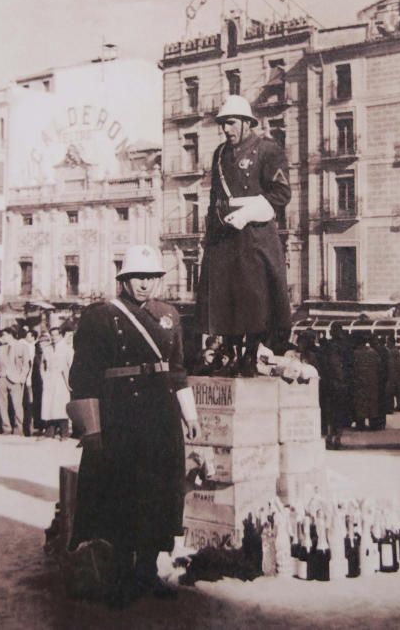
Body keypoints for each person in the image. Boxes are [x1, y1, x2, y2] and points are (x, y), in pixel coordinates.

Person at [67, 243, 199, 609]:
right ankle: (121, 577)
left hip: (160, 418)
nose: (145, 284)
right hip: (119, 417)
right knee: (121, 495)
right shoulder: (99, 316)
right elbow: (83, 377)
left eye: (151, 277)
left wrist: (190, 415)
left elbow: (177, 370)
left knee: (158, 495)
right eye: (137, 277)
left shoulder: (169, 315)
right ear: (124, 279)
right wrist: (91, 430)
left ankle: (147, 572)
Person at [195, 95, 292, 376]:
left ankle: (251, 353)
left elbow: (281, 193)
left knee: (256, 296)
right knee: (226, 296)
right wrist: (211, 233)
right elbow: (215, 196)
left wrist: (248, 213)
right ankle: (232, 351)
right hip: (225, 235)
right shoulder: (219, 154)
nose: (226, 129)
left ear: (248, 123)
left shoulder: (268, 150)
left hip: (255, 234)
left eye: (231, 123)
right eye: (223, 124)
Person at [0, 327, 30, 435]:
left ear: (10, 335)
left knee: (17, 405)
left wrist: (22, 378)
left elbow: (26, 364)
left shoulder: (23, 347)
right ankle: (6, 428)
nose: (1, 338)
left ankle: (19, 429)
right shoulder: (0, 348)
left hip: (16, 380)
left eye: (3, 335)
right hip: (2, 378)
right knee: (2, 405)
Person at [40, 326, 74, 439]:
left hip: (62, 379)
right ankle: (50, 432)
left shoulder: (67, 349)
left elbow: (71, 366)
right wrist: (44, 376)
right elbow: (42, 364)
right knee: (49, 405)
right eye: (52, 335)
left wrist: (69, 382)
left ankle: (64, 433)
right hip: (49, 378)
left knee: (61, 405)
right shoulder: (47, 349)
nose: (54, 337)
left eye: (56, 335)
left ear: (61, 335)